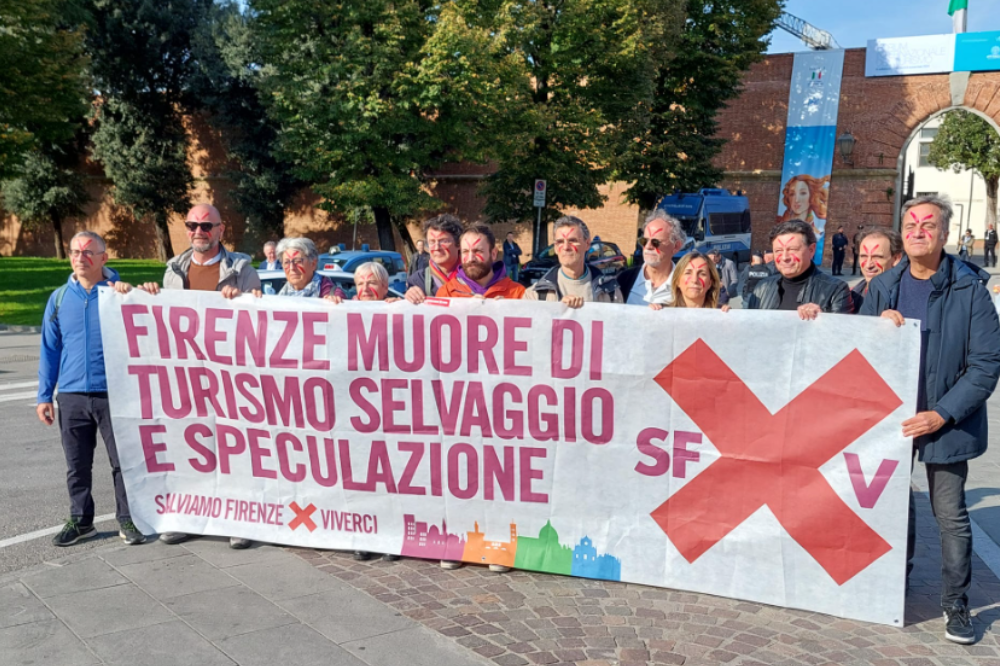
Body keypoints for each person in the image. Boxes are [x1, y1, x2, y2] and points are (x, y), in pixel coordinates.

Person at [861, 195, 1000, 645]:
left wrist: (941, 413)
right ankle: (889, 585)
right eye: (910, 223)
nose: (918, 230)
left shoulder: (970, 290)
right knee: (888, 507)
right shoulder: (883, 286)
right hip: (891, 420)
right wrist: (874, 328)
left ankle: (955, 603)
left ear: (944, 234)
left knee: (950, 515)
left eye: (928, 224)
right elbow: (856, 353)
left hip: (946, 421)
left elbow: (985, 364)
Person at [126, 203, 260, 549]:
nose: (198, 231)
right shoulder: (173, 271)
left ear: (221, 230)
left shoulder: (241, 269)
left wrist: (243, 299)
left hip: (229, 374)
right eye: (192, 225)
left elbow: (259, 316)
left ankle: (238, 519)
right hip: (186, 373)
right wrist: (148, 296)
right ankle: (188, 516)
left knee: (234, 446)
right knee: (187, 443)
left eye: (206, 226)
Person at [37, 232, 144, 547]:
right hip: (71, 395)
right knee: (77, 464)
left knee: (122, 461)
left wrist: (139, 294)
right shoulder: (58, 298)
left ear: (103, 258)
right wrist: (44, 395)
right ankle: (82, 521)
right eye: (75, 252)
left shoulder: (120, 294)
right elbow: (49, 349)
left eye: (87, 252)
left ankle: (128, 518)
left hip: (114, 393)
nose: (80, 257)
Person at [745, 219, 852, 318]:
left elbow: (841, 334)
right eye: (778, 251)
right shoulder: (762, 288)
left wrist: (823, 317)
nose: (784, 257)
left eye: (793, 249)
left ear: (811, 250)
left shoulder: (836, 290)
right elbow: (750, 329)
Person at [524, 216, 623, 306]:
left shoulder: (611, 292)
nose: (566, 247)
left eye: (573, 241)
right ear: (555, 247)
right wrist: (559, 311)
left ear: (587, 244)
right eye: (560, 242)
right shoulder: (534, 295)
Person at [438, 225, 526, 300]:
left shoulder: (518, 294)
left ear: (493, 254)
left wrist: (509, 310)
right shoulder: (447, 293)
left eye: (478, 251)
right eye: (465, 251)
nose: (470, 259)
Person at [617, 210, 685, 306]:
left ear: (676, 246)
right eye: (644, 241)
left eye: (656, 242)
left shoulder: (684, 285)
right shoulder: (624, 280)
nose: (648, 246)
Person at [405, 214, 463, 303]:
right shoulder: (417, 280)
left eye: (444, 241)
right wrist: (403, 300)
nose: (436, 247)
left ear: (459, 244)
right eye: (431, 242)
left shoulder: (476, 276)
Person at [650, 251, 730, 312]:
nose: (694, 280)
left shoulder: (719, 313)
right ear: (677, 281)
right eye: (688, 273)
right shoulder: (663, 312)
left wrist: (730, 318)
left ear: (710, 283)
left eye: (702, 274)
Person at [850, 228, 903, 312]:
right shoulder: (850, 296)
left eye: (877, 257)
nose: (868, 265)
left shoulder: (905, 299)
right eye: (863, 256)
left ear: (896, 259)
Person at [777, 174, 829, 245]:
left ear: (811, 196)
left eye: (803, 193)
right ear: (788, 197)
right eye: (792, 194)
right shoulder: (779, 226)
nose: (797, 200)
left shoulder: (817, 234)